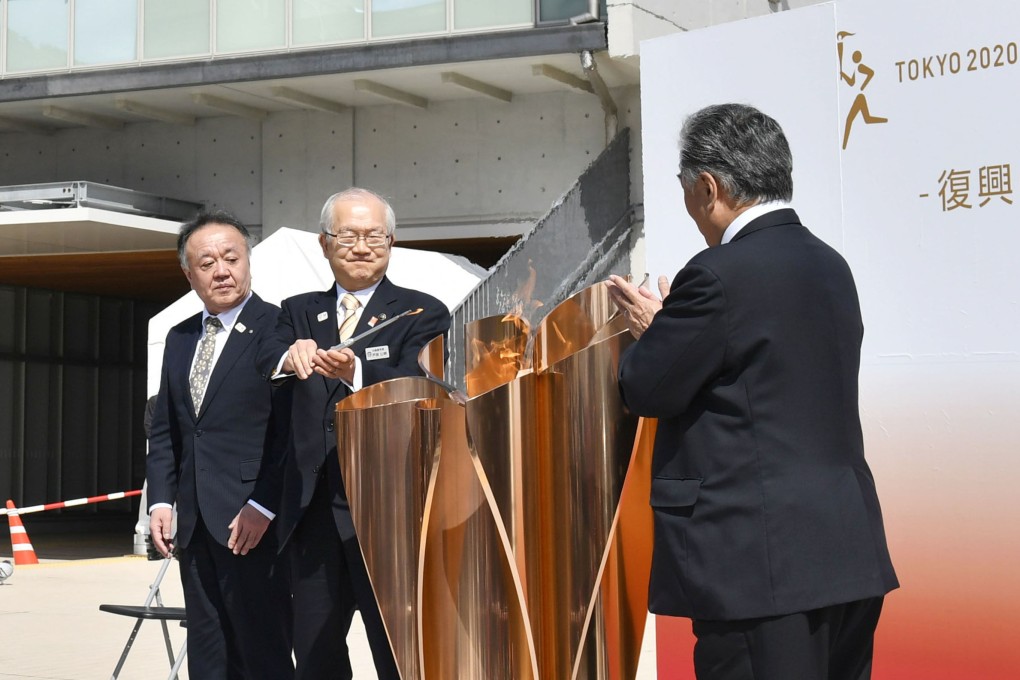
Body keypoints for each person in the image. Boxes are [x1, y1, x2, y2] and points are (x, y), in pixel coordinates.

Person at [606, 103, 898, 680]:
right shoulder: (829, 263)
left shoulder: (717, 274)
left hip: (757, 563)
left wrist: (655, 331)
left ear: (709, 187)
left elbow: (646, 387)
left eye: (686, 192)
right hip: (845, 548)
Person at [259, 187, 451, 680]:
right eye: (347, 235)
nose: (361, 247)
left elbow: (423, 388)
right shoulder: (297, 311)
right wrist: (289, 356)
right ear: (325, 243)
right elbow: (267, 360)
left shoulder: (421, 312)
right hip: (313, 513)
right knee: (316, 653)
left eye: (374, 236)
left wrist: (357, 374)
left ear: (391, 242)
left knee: (399, 652)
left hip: (388, 512)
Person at [147, 210, 293, 679]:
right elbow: (168, 428)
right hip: (192, 524)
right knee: (208, 654)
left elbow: (290, 433)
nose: (222, 271)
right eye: (206, 263)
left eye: (231, 258)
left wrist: (264, 505)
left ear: (248, 261)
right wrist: (162, 501)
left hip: (251, 521)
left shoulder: (279, 328)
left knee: (262, 651)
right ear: (189, 274)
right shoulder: (180, 336)